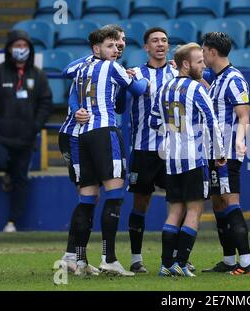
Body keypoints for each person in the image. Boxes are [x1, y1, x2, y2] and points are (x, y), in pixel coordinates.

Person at [62, 28, 149, 276]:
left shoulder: (81, 71)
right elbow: (139, 89)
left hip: (83, 135)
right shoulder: (112, 67)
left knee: (87, 198)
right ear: (97, 49)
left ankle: (78, 261)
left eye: (117, 45)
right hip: (105, 132)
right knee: (115, 194)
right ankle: (109, 258)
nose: (116, 50)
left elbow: (67, 76)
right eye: (110, 46)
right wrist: (143, 79)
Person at [149, 43, 226, 277]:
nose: (203, 66)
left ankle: (165, 264)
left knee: (174, 212)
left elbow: (153, 122)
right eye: (199, 62)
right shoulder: (197, 89)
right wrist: (220, 152)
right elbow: (212, 122)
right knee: (193, 211)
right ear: (185, 64)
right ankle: (181, 263)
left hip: (171, 159)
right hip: (194, 158)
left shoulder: (164, 88)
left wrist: (172, 130)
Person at [201, 32, 250, 275]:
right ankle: (228, 260)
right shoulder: (217, 80)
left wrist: (241, 141)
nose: (202, 55)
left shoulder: (234, 78)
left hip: (227, 153)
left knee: (230, 201)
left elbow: (244, 115)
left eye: (203, 50)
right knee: (218, 202)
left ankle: (247, 263)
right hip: (215, 152)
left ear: (212, 52)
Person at [0, 29, 52, 232]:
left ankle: (12, 222)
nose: (21, 49)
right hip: (1, 135)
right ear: (9, 48)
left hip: (26, 138)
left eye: (24, 46)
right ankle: (7, 169)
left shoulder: (38, 75)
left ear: (29, 49)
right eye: (17, 45)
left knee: (20, 180)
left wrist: (35, 125)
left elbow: (45, 102)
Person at [126, 27, 179, 274]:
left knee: (177, 202)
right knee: (141, 201)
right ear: (146, 47)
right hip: (143, 148)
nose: (160, 44)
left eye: (164, 41)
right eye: (155, 41)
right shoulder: (135, 73)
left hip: (174, 149)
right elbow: (118, 105)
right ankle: (136, 259)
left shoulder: (179, 72)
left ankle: (174, 259)